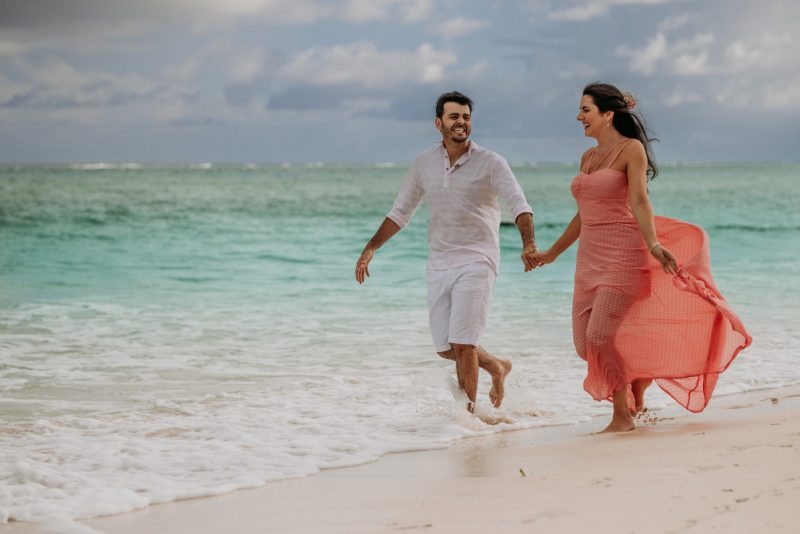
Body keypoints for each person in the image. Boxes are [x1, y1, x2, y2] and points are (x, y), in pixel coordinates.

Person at [529, 82, 752, 432]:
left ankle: (622, 416)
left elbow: (639, 201)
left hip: (624, 256)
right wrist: (552, 253)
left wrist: (653, 245)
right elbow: (583, 215)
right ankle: (637, 381)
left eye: (585, 110)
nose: (579, 117)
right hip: (588, 262)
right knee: (584, 345)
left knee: (600, 339)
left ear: (607, 114)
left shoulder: (631, 149)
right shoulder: (587, 159)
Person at [355, 91, 538, 414]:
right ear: (438, 123)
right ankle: (496, 366)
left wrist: (529, 244)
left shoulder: (491, 162)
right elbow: (400, 212)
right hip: (439, 262)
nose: (461, 123)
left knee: (464, 343)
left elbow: (519, 204)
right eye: (454, 117)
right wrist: (370, 248)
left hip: (478, 259)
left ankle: (469, 416)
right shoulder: (423, 163)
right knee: (446, 347)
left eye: (466, 117)